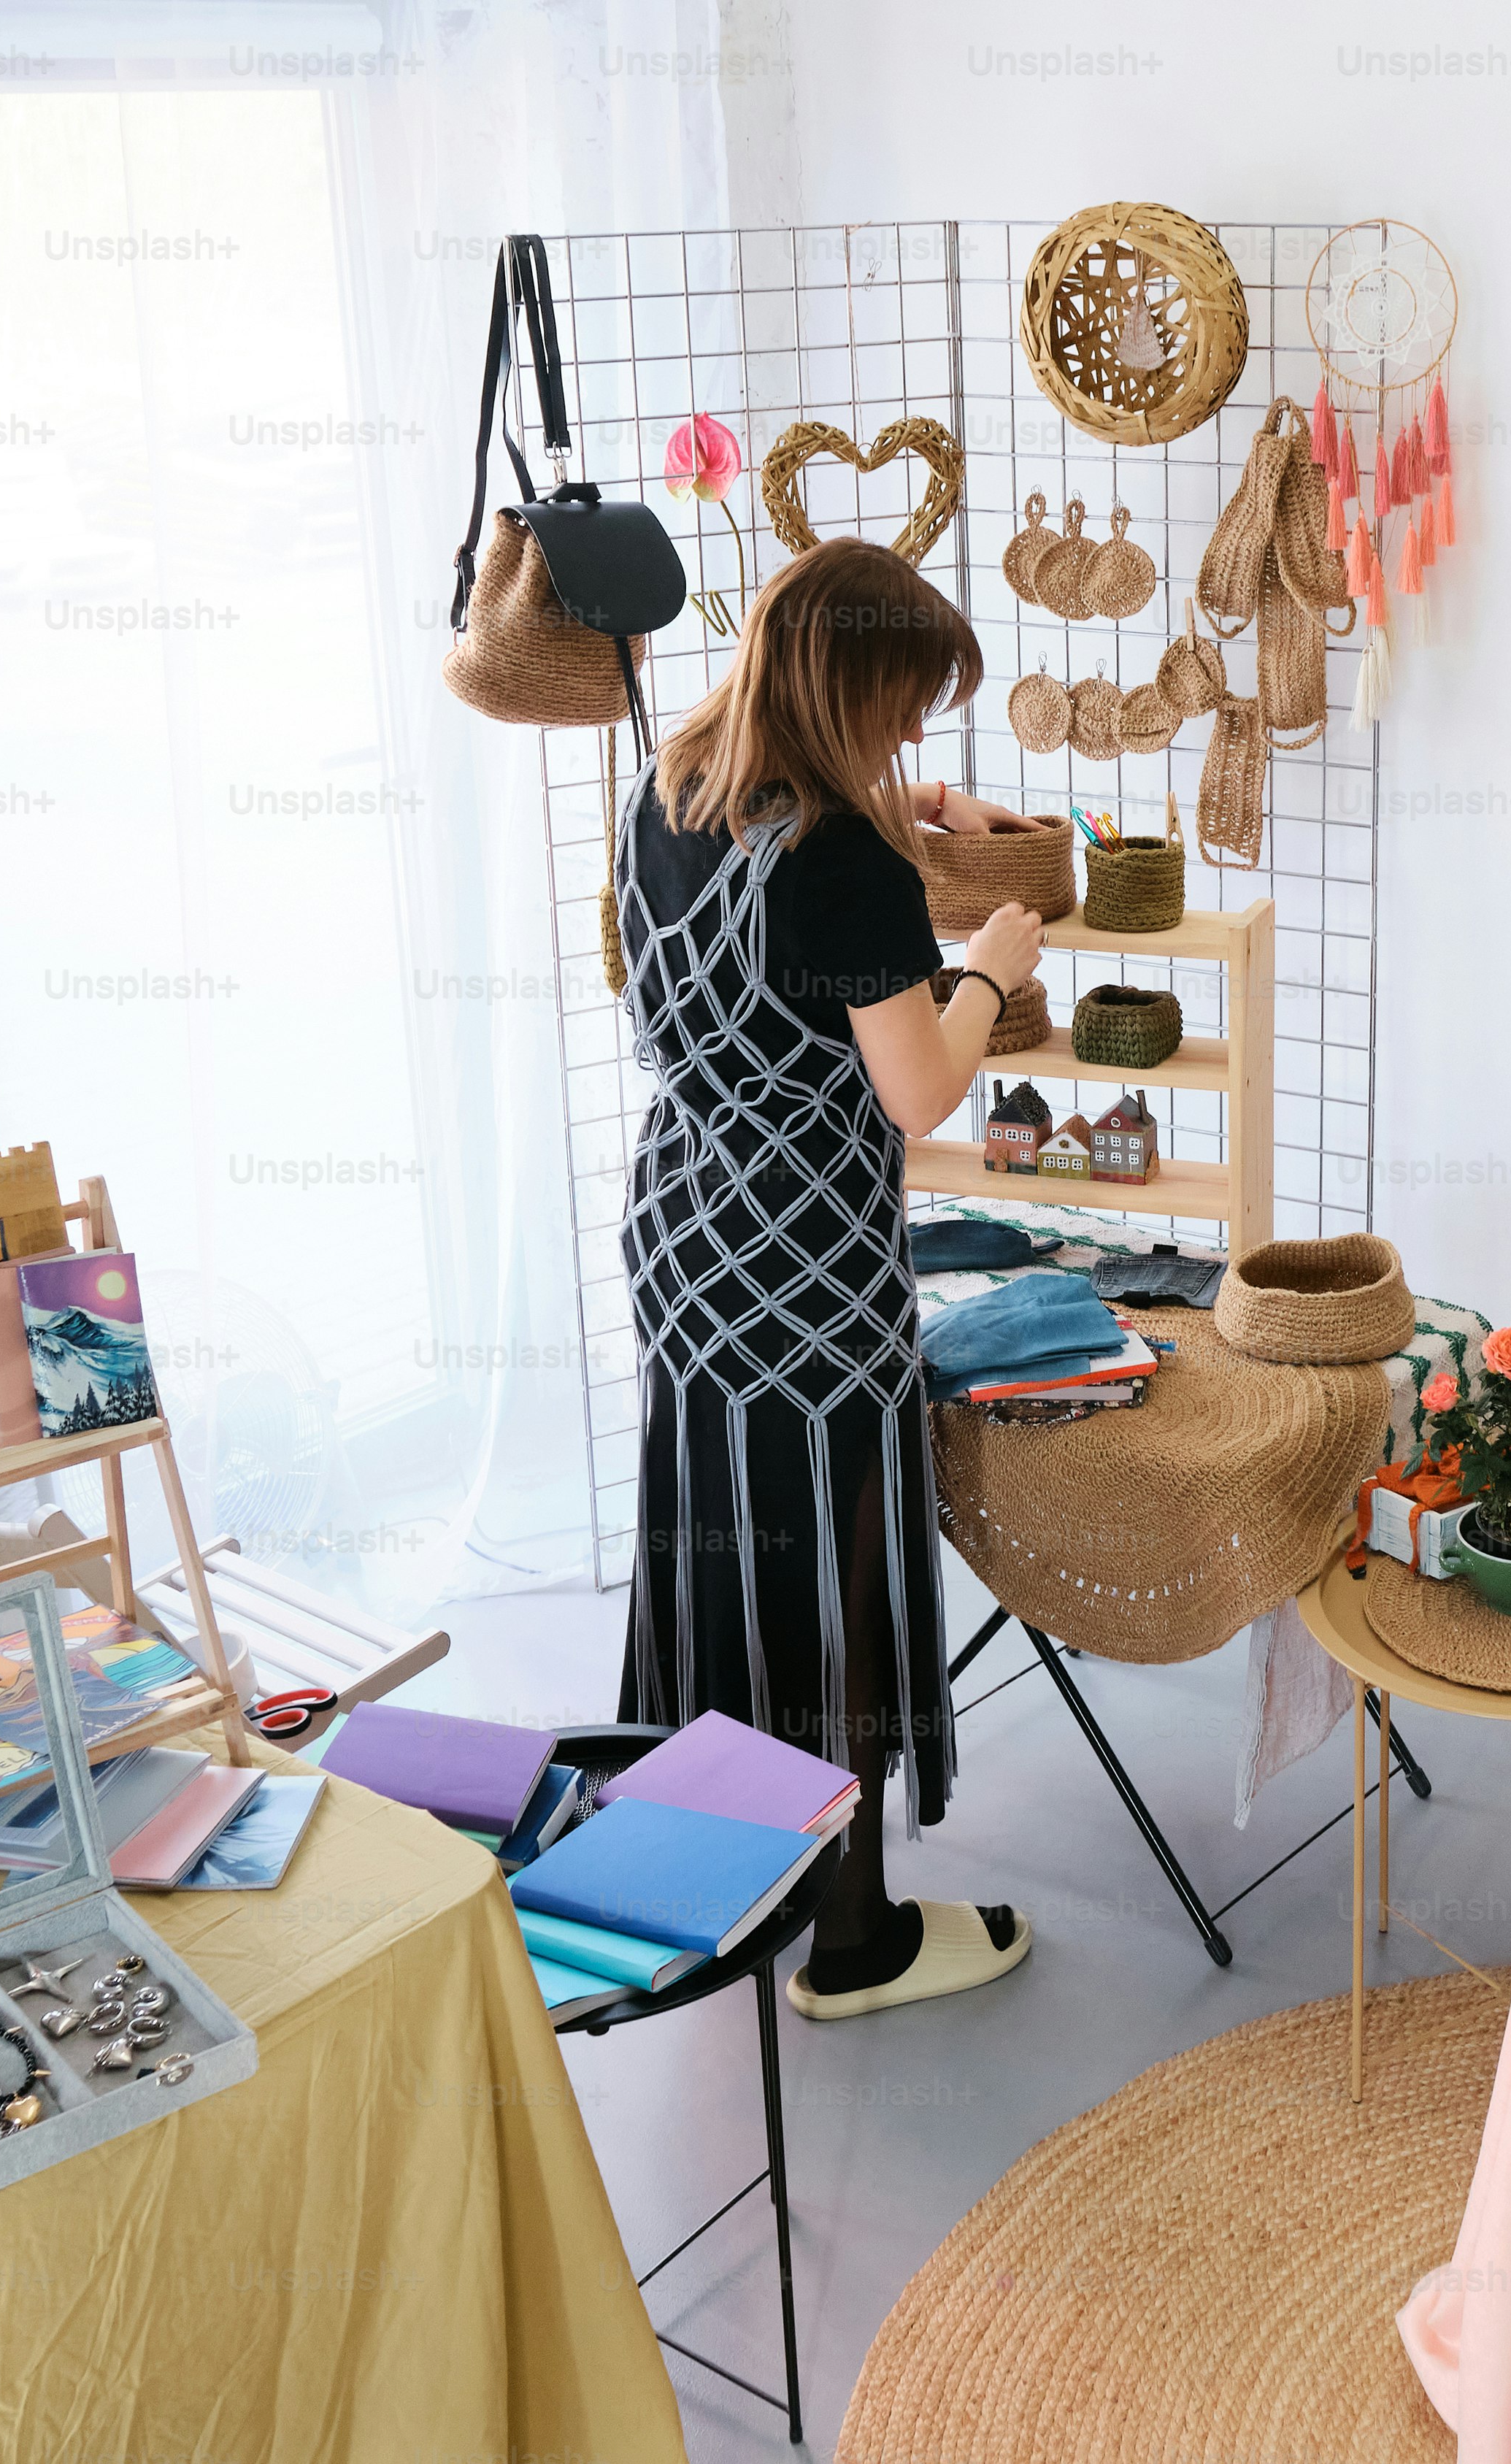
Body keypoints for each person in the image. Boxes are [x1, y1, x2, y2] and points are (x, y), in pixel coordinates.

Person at [615, 538, 1049, 2019]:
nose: (918, 740)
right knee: (851, 1584)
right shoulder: (852, 872)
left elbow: (781, 910)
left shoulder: (672, 788)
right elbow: (920, 1092)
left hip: (685, 1233)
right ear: (849, 685)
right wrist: (984, 959)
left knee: (730, 1553)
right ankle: (853, 1936)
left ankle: (718, 1856)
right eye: (907, 708)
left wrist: (914, 814)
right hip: (809, 1266)